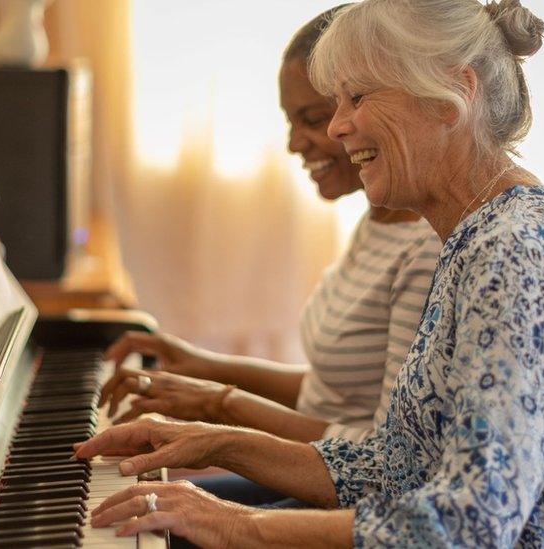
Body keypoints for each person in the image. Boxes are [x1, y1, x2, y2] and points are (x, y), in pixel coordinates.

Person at [75, 0, 544, 547]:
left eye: (356, 97)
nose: (339, 126)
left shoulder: (517, 252)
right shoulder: (475, 234)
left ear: (453, 94)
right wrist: (214, 440)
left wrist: (239, 523)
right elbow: (398, 465)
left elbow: (472, 525)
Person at [101, 6, 440, 447]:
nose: (294, 143)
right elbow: (329, 395)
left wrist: (219, 403)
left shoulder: (424, 250)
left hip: (342, 499)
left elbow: (385, 456)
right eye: (290, 121)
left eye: (313, 119)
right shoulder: (381, 216)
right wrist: (206, 365)